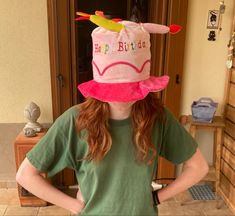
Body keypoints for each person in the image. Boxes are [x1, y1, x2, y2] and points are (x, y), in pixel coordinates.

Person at [16, 12, 209, 216]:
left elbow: (199, 167)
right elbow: (26, 175)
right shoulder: (75, 120)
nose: (122, 99)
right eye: (115, 90)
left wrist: (157, 197)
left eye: (130, 89)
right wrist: (75, 206)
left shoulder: (158, 117)